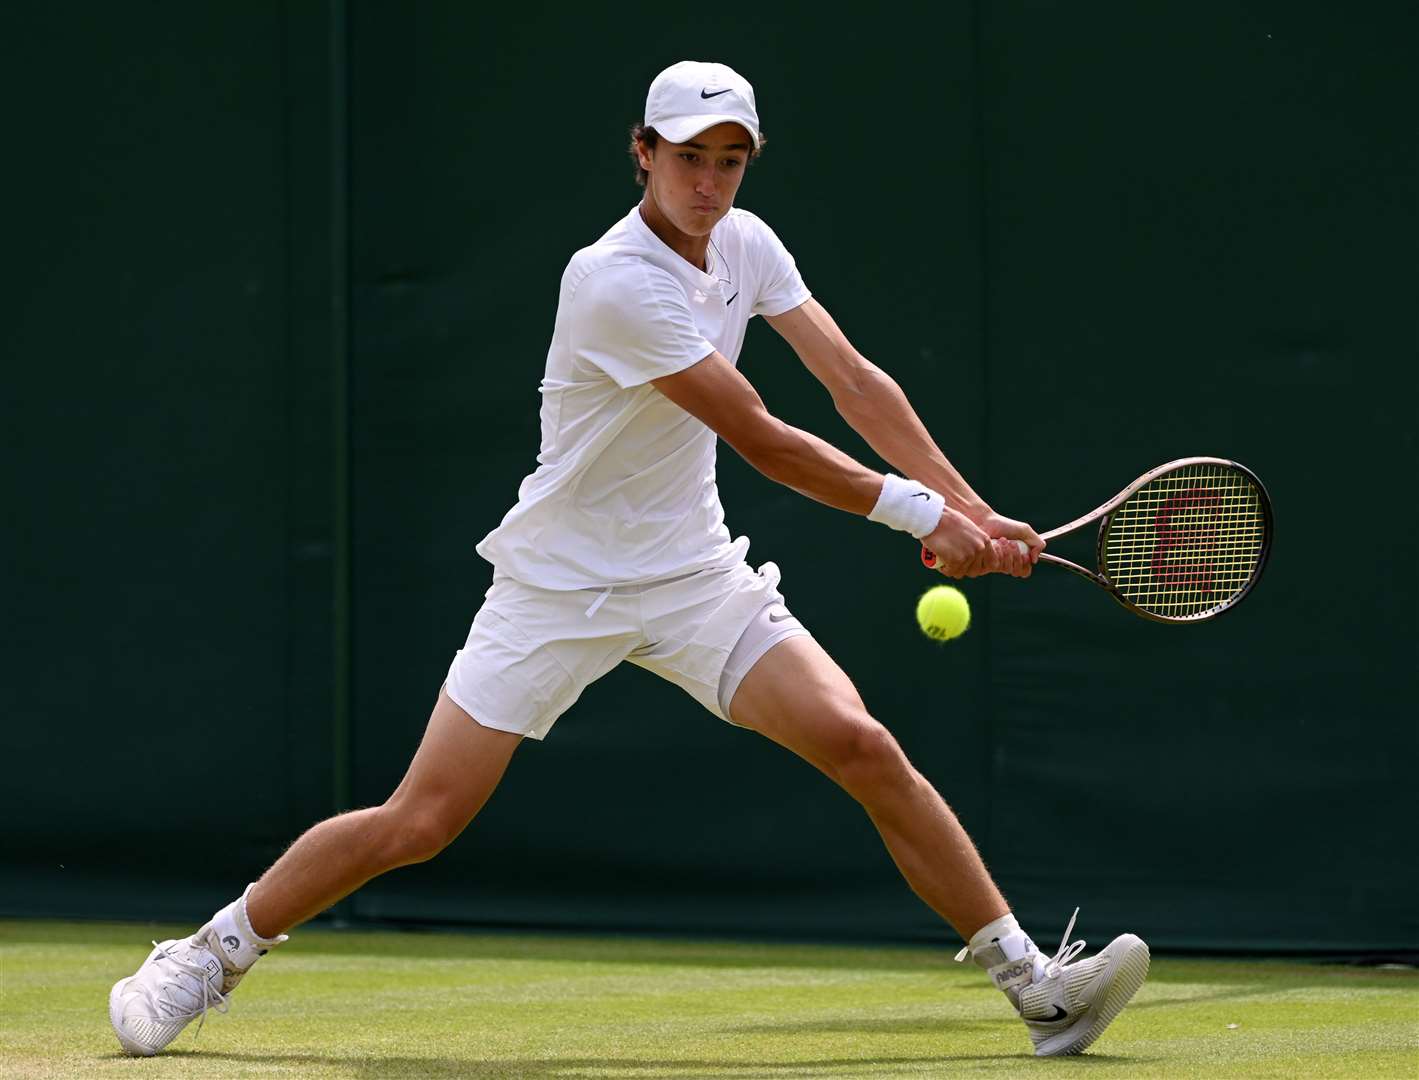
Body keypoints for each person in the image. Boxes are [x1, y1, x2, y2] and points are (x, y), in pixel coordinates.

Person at [109, 60, 1149, 1059]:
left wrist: (971, 507)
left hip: (694, 575)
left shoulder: (748, 246)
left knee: (861, 743)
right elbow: (762, 437)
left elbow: (853, 381)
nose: (709, 182)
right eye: (689, 156)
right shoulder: (611, 282)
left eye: (731, 160)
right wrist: (923, 515)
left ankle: (1036, 987)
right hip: (558, 587)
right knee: (418, 822)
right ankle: (209, 954)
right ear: (641, 153)